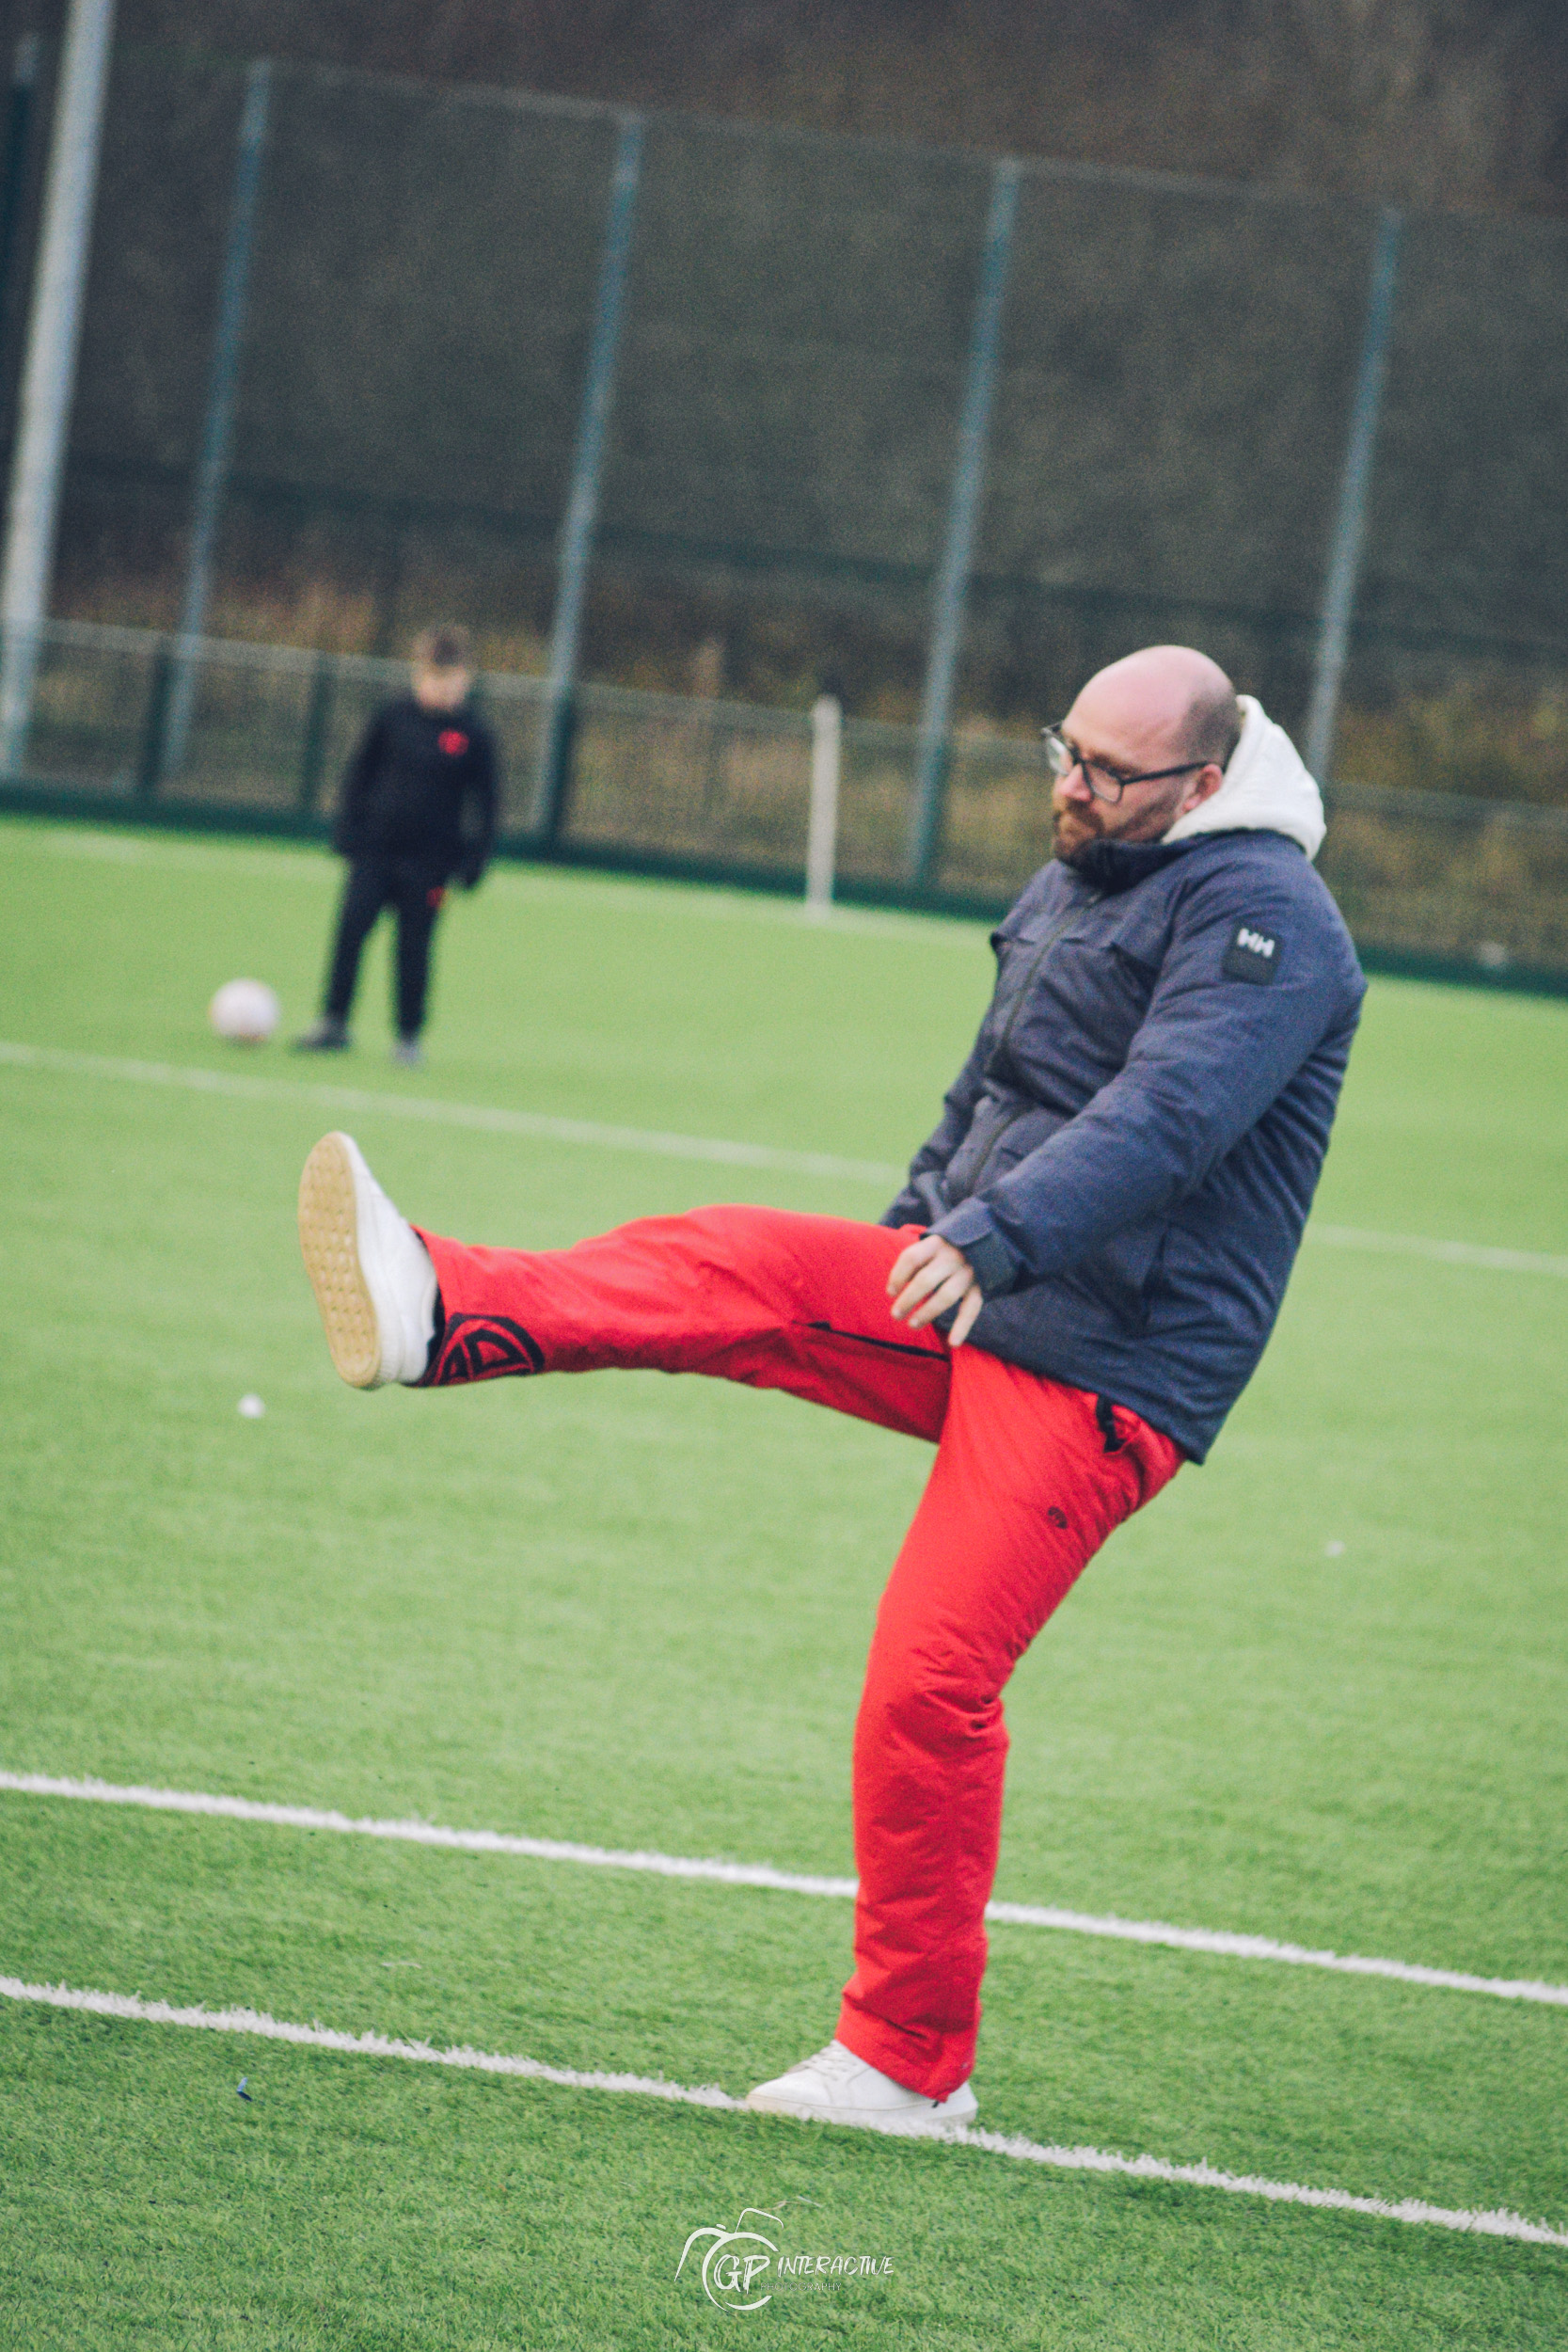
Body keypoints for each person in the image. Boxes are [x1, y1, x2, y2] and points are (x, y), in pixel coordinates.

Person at [295, 644, 1364, 2136]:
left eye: (1103, 773)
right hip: (981, 1283)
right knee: (737, 1257)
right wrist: (908, 1226)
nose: (1065, 783)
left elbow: (1164, 1118)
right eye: (1059, 748)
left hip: (1108, 1362)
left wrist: (984, 1237)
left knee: (927, 1688)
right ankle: (444, 1309)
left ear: (1198, 785)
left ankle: (909, 2066)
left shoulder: (1269, 918)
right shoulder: (1079, 871)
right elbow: (991, 1084)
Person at [294, 625, 499, 1068]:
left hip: (429, 863)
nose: (441, 688)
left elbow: (487, 803)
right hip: (374, 851)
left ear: (466, 679)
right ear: (418, 675)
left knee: (414, 948)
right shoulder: (392, 717)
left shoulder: (474, 734)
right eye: (433, 677)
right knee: (350, 931)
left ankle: (408, 1036)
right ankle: (334, 1022)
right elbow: (359, 775)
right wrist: (347, 830)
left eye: (450, 679)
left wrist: (475, 859)